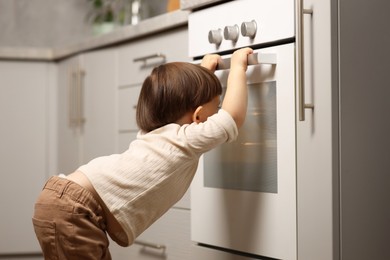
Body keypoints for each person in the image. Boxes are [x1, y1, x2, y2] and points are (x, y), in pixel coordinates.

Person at [32, 47, 253, 259]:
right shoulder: (185, 140)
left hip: (68, 203)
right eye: (217, 107)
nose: (219, 113)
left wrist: (205, 72)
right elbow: (233, 116)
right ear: (197, 117)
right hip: (75, 208)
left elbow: (185, 98)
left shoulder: (156, 133)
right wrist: (238, 67)